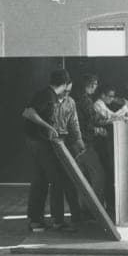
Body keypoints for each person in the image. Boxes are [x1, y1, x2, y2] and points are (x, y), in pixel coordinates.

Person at [22, 68, 76, 233]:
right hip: (39, 142)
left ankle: (36, 220)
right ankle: (55, 221)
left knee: (42, 179)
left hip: (38, 141)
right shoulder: (47, 95)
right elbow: (28, 112)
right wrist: (48, 127)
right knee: (55, 179)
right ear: (66, 84)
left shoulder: (48, 94)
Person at [52, 79, 88, 222]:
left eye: (69, 91)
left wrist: (79, 140)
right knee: (56, 182)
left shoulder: (70, 102)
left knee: (71, 179)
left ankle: (76, 215)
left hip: (65, 141)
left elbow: (74, 122)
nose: (66, 94)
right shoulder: (50, 101)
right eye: (64, 91)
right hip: (51, 142)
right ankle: (57, 219)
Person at [73, 73, 109, 214]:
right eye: (95, 84)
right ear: (91, 84)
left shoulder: (76, 98)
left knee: (83, 177)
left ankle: (83, 208)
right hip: (85, 143)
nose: (96, 87)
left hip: (76, 143)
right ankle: (97, 210)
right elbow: (92, 120)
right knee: (99, 176)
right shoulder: (85, 100)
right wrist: (105, 123)